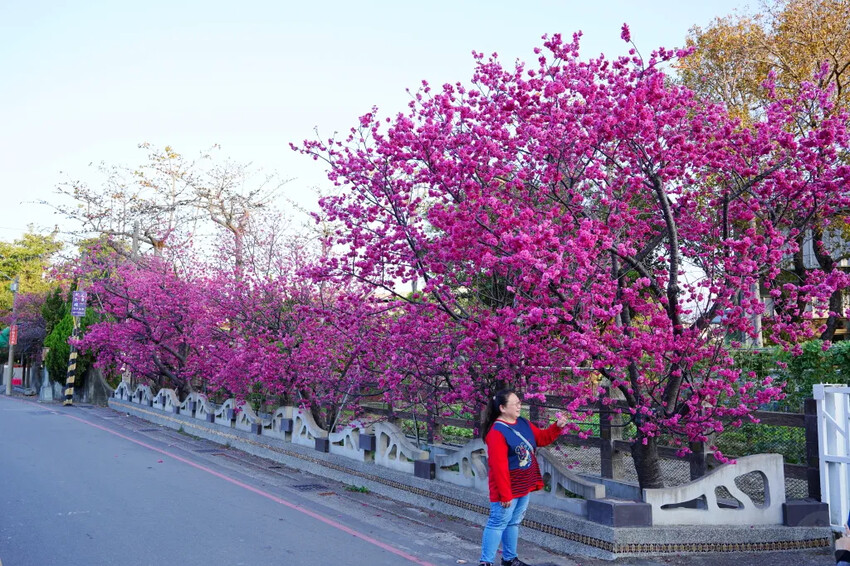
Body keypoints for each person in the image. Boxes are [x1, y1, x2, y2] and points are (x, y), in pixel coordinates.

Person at [478, 389, 568, 566]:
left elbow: (540, 438)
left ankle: (509, 559)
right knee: (498, 523)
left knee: (513, 523)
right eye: (516, 403)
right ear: (503, 408)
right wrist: (505, 495)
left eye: (520, 402)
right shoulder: (496, 432)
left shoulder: (522, 423)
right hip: (507, 488)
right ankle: (486, 562)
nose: (520, 406)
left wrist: (557, 426)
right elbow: (498, 467)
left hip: (523, 484)